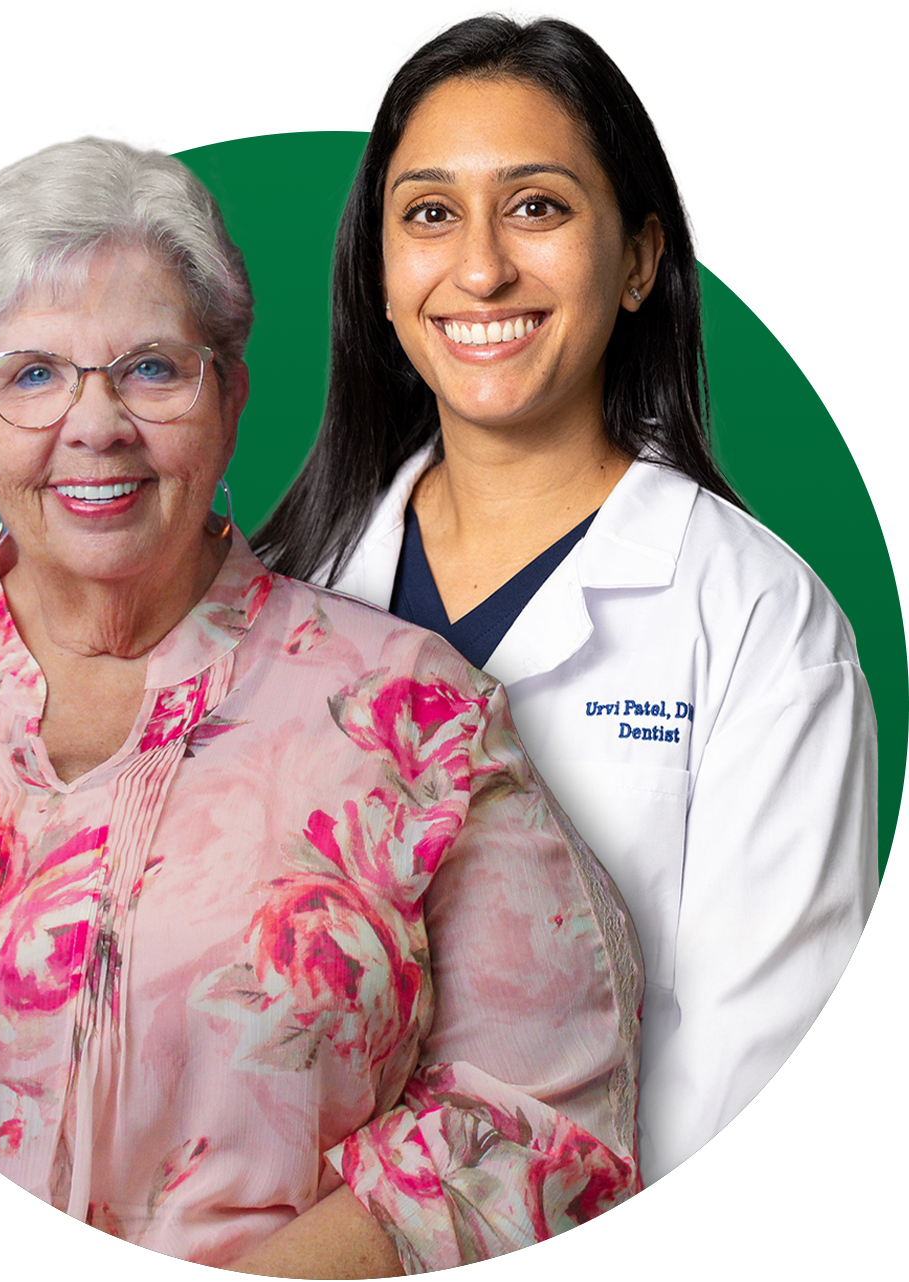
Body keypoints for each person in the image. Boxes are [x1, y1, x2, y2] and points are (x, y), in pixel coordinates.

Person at [0, 134, 643, 1276]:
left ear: (229, 397)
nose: (96, 426)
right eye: (32, 374)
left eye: (150, 369)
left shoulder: (417, 716)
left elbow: (538, 1126)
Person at [254, 8, 878, 1185]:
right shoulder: (284, 590)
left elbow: (745, 1087)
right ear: (381, 274)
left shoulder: (758, 622)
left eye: (537, 206)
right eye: (430, 213)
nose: (480, 266)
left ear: (639, 259)